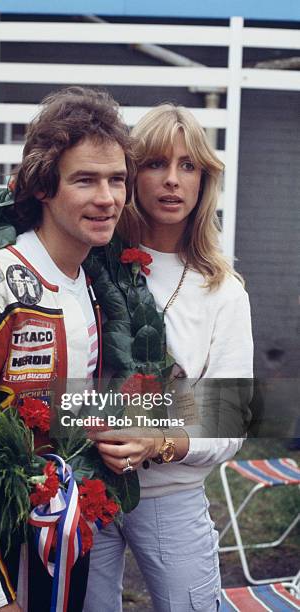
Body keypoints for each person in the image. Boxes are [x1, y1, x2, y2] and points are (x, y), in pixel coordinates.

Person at [0, 86, 135, 612]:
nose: (107, 197)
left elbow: (72, 410)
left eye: (117, 179)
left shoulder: (87, 285)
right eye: (85, 179)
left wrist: (166, 429)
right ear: (43, 186)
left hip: (64, 540)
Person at [83, 103, 253, 611]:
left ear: (205, 180)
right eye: (156, 164)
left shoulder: (223, 292)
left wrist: (158, 440)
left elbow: (229, 418)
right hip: (78, 488)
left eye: (188, 166)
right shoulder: (90, 261)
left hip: (169, 498)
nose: (172, 181)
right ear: (132, 176)